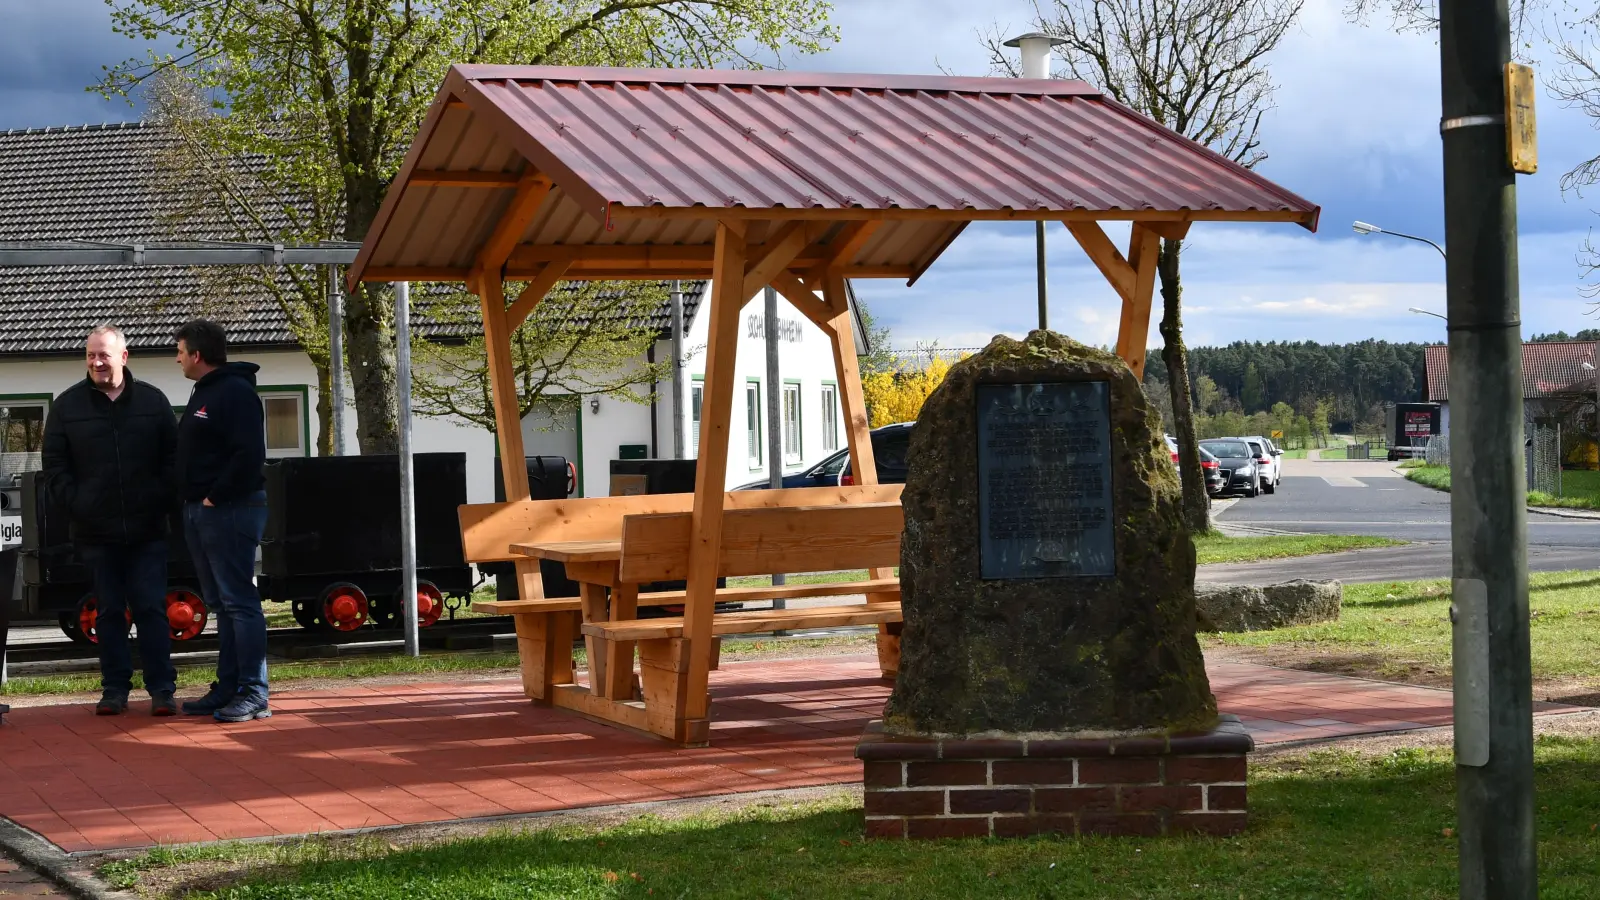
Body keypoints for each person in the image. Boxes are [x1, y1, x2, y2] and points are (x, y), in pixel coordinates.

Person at [41, 325, 180, 716]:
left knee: (152, 609)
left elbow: (174, 459)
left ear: (124, 356)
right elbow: (54, 466)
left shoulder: (154, 402)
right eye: (90, 355)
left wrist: (159, 500)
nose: (97, 362)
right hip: (95, 532)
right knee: (108, 612)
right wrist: (77, 503)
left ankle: (161, 689)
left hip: (148, 529)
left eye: (104, 354)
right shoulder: (67, 407)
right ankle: (115, 689)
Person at [173, 319, 270, 723]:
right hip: (203, 510)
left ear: (197, 355)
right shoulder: (205, 392)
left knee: (239, 602)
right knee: (222, 604)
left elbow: (248, 455)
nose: (177, 357)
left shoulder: (235, 392)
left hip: (229, 510)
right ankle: (229, 686)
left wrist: (215, 497)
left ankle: (254, 692)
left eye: (179, 351)